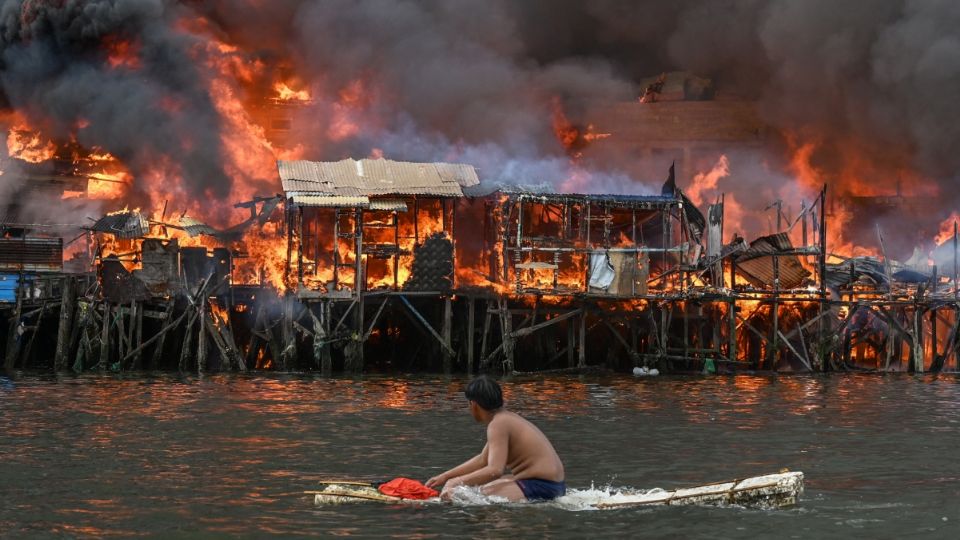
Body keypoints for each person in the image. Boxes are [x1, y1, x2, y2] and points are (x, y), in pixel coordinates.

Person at [425, 376, 565, 502]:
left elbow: (495, 470)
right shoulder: (504, 419)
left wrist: (454, 483)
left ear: (473, 404)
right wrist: (445, 477)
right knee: (478, 488)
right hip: (553, 485)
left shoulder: (498, 424)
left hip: (543, 486)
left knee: (473, 497)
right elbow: (483, 460)